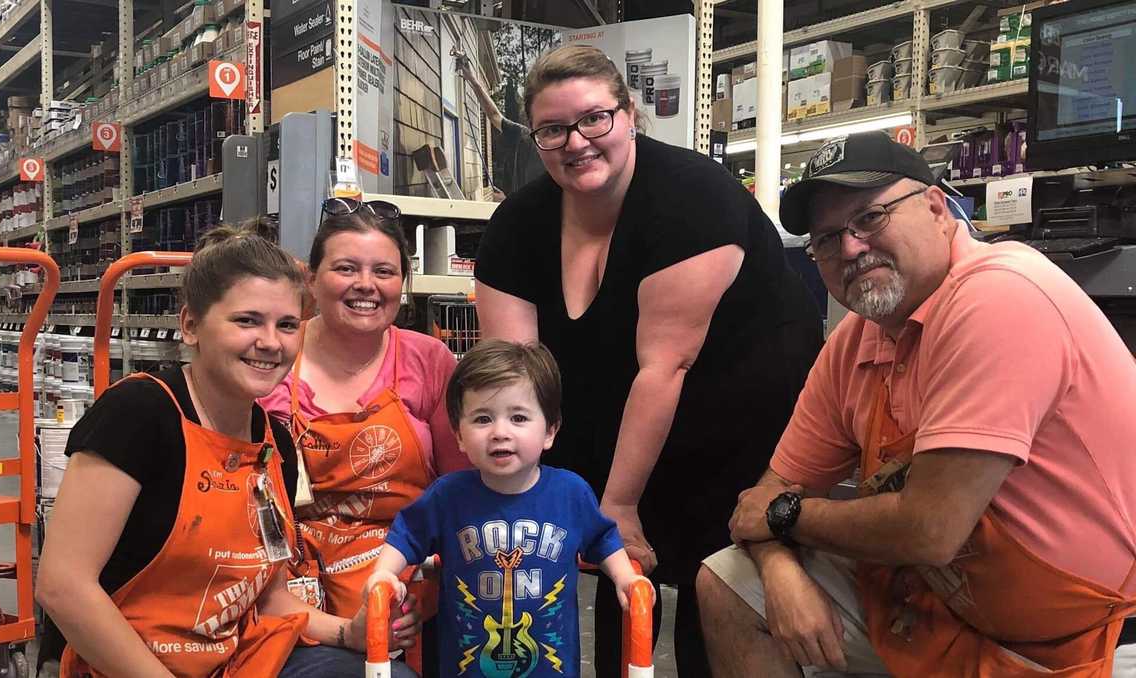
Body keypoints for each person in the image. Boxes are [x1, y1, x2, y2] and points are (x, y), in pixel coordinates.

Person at [699, 131, 1136, 677]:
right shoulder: (856, 341)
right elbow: (767, 495)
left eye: (870, 218)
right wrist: (780, 569)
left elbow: (928, 530)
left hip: (1078, 634)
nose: (851, 248)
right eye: (828, 239)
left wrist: (786, 518)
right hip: (943, 606)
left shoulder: (1000, 298)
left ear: (935, 207)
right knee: (731, 583)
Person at [472, 44, 824, 676]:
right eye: (553, 129)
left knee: (711, 582)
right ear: (536, 138)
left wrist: (622, 506)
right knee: (614, 587)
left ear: (630, 115)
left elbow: (666, 367)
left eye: (595, 119)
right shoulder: (517, 225)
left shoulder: (693, 197)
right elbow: (514, 375)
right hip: (616, 406)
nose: (576, 142)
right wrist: (531, 492)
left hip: (739, 408)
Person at [36, 226, 418, 678]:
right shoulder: (140, 415)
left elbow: (270, 599)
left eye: (287, 325)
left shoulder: (275, 443)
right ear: (191, 325)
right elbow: (63, 586)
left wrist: (348, 633)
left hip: (233, 660)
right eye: (247, 320)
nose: (271, 342)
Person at [259, 197, 472, 673]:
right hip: (291, 592)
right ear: (310, 279)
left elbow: (459, 496)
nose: (366, 286)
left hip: (410, 587)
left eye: (384, 271)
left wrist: (427, 590)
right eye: (346, 268)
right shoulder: (271, 360)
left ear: (403, 283)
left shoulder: (430, 360)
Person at [364, 339, 652, 677]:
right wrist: (383, 572)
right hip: (467, 668)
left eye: (518, 417)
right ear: (458, 435)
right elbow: (407, 535)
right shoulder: (447, 496)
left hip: (551, 669)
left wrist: (624, 578)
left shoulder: (569, 493)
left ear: (550, 431)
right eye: (483, 419)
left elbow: (603, 538)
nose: (500, 432)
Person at [455, 50, 546, 198]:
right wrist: (472, 80)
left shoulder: (558, 151)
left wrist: (507, 201)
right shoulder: (522, 135)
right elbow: (493, 115)